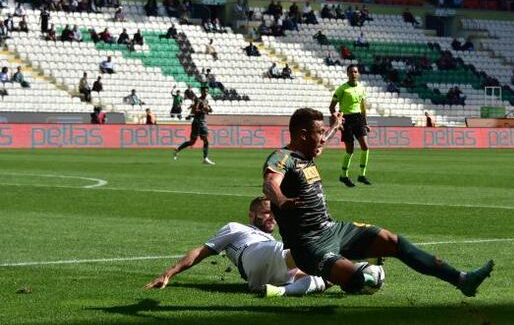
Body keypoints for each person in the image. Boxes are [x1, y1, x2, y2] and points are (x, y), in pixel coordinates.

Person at [262, 107, 494, 297]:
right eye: (318, 132)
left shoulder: (308, 152)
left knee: (393, 241)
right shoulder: (282, 157)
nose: (322, 138)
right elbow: (270, 182)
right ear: (302, 135)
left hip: (333, 229)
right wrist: (281, 200)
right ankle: (351, 270)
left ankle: (462, 280)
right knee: (356, 279)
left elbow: (322, 143)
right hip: (309, 245)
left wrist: (334, 126)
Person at [145, 196, 328, 297]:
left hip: (262, 278)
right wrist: (168, 274)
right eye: (265, 213)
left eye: (274, 213)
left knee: (325, 276)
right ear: (251, 215)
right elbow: (202, 251)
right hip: (255, 253)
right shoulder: (236, 227)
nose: (272, 217)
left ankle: (280, 292)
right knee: (316, 250)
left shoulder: (273, 239)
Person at [330, 65, 371, 187]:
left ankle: (362, 175)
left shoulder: (361, 89)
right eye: (351, 71)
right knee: (350, 150)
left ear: (358, 74)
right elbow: (332, 107)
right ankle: (344, 175)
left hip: (359, 118)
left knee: (365, 146)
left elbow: (363, 108)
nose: (354, 73)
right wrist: (338, 120)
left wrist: (365, 123)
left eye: (356, 71)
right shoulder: (342, 89)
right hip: (346, 120)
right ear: (347, 74)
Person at [173, 86, 215, 165]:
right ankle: (177, 150)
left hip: (202, 122)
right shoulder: (198, 100)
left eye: (207, 91)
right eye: (204, 91)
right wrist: (203, 109)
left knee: (205, 141)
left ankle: (205, 158)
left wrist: (209, 110)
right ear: (201, 91)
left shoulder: (206, 101)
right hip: (197, 122)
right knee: (193, 142)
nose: (206, 93)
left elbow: (206, 111)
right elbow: (195, 110)